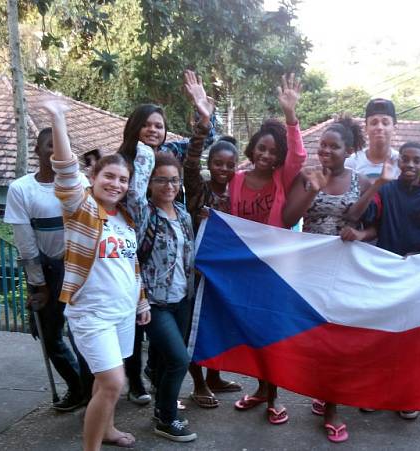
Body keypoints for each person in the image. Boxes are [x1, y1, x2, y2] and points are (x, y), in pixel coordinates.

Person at [40, 99, 150, 451]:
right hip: (92, 315)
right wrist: (58, 120)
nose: (116, 184)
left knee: (105, 386)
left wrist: (141, 302)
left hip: (122, 314)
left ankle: (109, 429)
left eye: (123, 179)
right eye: (109, 177)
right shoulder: (82, 208)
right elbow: (65, 171)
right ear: (94, 177)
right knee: (114, 382)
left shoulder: (124, 219)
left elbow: (131, 266)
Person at [281, 115, 373, 443]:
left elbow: (375, 225)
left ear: (349, 150)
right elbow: (288, 218)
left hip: (345, 271)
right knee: (314, 338)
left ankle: (332, 409)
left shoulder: (360, 183)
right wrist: (312, 191)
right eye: (323, 145)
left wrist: (360, 233)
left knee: (337, 338)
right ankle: (316, 392)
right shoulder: (306, 176)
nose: (326, 151)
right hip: (310, 270)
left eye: (334, 146)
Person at [231, 74, 306, 425]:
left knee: (272, 334)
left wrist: (290, 116)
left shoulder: (282, 178)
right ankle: (261, 389)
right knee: (252, 333)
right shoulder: (234, 181)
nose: (266, 154)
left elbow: (300, 154)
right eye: (261, 148)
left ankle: (274, 397)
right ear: (252, 148)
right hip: (245, 270)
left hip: (277, 270)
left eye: (273, 151)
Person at [345, 141, 420, 420]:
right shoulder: (385, 190)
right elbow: (365, 221)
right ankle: (374, 392)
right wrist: (360, 235)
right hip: (382, 273)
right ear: (398, 163)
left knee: (410, 338)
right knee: (380, 336)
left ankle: (405, 396)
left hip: (416, 276)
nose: (409, 165)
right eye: (405, 159)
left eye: (416, 160)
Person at [121, 123, 199, 441]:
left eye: (174, 180)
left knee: (170, 359)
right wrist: (145, 151)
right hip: (154, 302)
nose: (168, 185)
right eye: (161, 180)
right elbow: (135, 190)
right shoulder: (143, 213)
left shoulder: (183, 214)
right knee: (180, 359)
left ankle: (161, 407)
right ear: (150, 182)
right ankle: (167, 418)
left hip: (182, 299)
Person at [4, 127, 88, 412]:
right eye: (50, 146)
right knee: (50, 335)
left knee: (84, 334)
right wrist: (39, 284)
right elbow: (25, 243)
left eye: (61, 146)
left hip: (80, 269)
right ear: (37, 150)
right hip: (47, 271)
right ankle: (78, 388)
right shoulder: (21, 189)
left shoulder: (81, 182)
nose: (56, 151)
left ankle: (93, 390)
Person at [180, 69, 243, 407]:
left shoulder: (238, 196)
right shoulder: (198, 188)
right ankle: (198, 383)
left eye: (229, 165)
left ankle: (216, 376)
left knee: (217, 324)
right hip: (196, 269)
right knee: (195, 324)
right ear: (211, 163)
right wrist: (203, 120)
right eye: (218, 163)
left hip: (225, 272)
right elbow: (190, 161)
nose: (223, 169)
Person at [344, 98, 401, 180]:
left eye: (385, 123)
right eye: (374, 123)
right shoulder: (352, 163)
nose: (379, 127)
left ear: (394, 128)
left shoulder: (401, 163)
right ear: (366, 128)